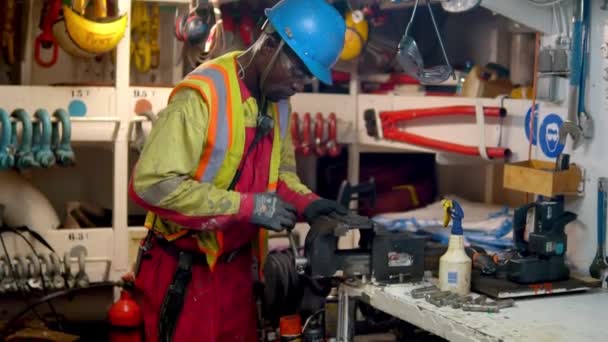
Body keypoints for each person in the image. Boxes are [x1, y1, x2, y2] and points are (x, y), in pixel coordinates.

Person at [127, 0, 347, 341]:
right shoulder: (202, 96)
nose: (301, 84)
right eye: (300, 70)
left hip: (236, 273)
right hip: (184, 273)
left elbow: (279, 176)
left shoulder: (278, 104)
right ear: (270, 45)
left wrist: (310, 204)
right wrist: (249, 207)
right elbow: (151, 186)